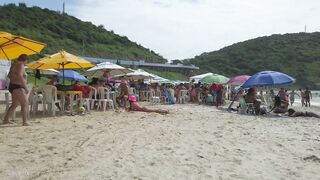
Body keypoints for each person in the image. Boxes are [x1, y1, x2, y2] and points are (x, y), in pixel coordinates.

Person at [3, 54, 30, 126]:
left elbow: (9, 76)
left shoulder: (13, 65)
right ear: (25, 60)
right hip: (19, 86)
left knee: (14, 104)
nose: (27, 63)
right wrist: (25, 86)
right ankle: (25, 122)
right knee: (25, 104)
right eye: (27, 61)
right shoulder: (21, 65)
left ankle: (6, 119)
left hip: (12, 86)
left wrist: (14, 79)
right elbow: (20, 76)